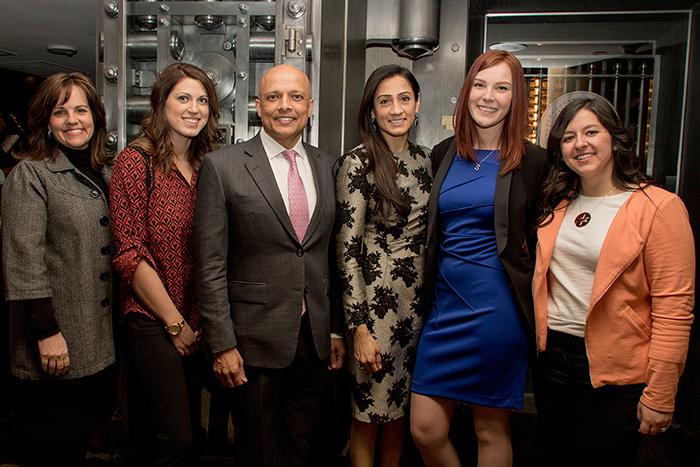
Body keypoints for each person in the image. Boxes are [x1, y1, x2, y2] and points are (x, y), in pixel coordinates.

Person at [193, 64, 346, 467]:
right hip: (251, 342)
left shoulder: (330, 167)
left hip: (313, 340)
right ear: (257, 107)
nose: (285, 106)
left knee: (305, 449)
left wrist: (334, 329)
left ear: (309, 107)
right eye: (273, 97)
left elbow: (332, 253)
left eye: (295, 97)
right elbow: (209, 264)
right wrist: (222, 343)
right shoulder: (222, 166)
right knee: (259, 452)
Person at [533, 96, 695, 467]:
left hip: (616, 371)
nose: (581, 144)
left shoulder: (658, 207)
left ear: (614, 138)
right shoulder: (558, 202)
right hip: (552, 359)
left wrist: (660, 395)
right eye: (569, 137)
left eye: (591, 131)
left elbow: (675, 310)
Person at [409, 50, 547, 467]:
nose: (489, 96)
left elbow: (545, 240)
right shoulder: (443, 153)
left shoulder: (534, 162)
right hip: (443, 308)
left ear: (515, 97)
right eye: (481, 85)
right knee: (425, 429)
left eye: (502, 88)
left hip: (496, 311)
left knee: (491, 429)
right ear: (467, 91)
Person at [2, 72, 116, 466]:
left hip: (94, 342)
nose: (72, 120)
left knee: (79, 442)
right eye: (60, 111)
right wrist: (47, 333)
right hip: (54, 342)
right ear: (45, 121)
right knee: (52, 447)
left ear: (96, 117)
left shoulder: (102, 173)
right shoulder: (30, 174)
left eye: (81, 110)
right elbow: (24, 261)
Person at [109, 63, 220, 466]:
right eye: (183, 98)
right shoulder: (135, 163)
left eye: (202, 100)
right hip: (153, 318)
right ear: (161, 103)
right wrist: (175, 324)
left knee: (183, 434)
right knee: (177, 438)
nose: (194, 109)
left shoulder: (208, 166)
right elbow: (129, 253)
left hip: (196, 319)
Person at [335, 64, 431, 467]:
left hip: (419, 309)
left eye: (404, 99)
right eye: (385, 100)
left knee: (399, 412)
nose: (396, 109)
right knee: (367, 415)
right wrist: (358, 328)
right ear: (372, 110)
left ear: (417, 105)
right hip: (375, 307)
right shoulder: (358, 163)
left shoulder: (428, 160)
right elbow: (346, 248)